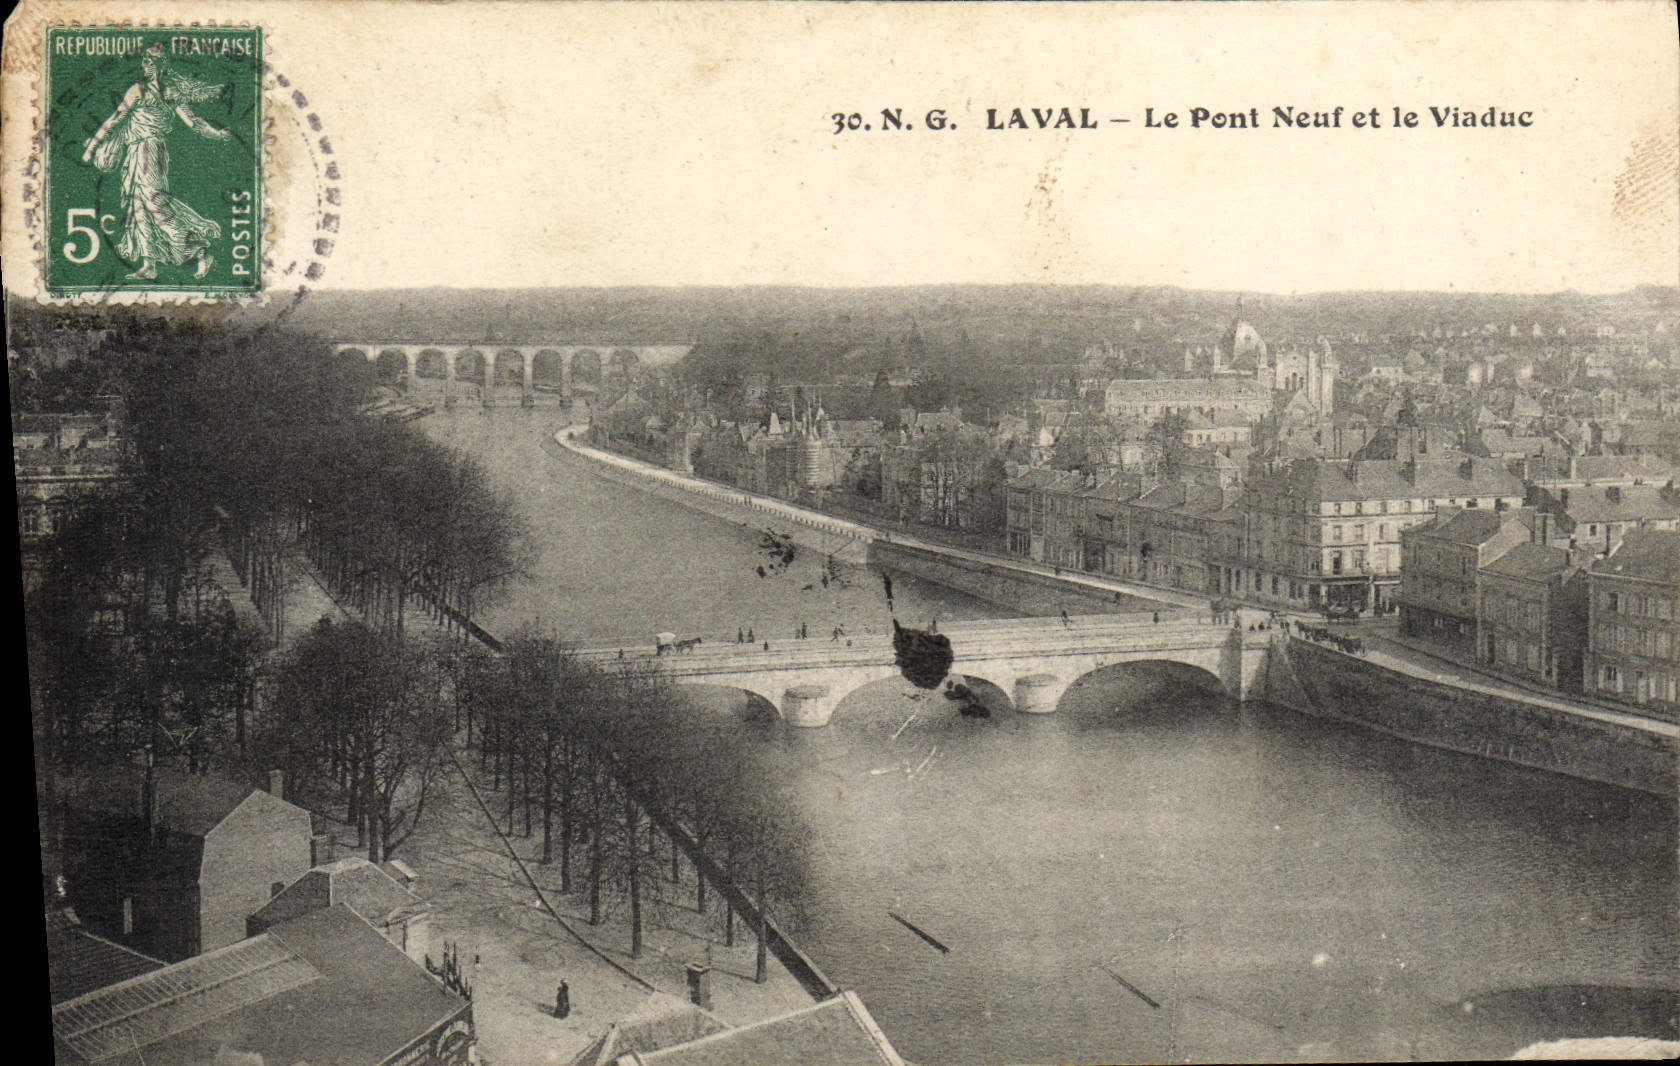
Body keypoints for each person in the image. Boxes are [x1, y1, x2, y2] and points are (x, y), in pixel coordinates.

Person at [80, 43, 232, 280]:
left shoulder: (166, 93)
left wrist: (218, 135)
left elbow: (193, 122)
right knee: (136, 205)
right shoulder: (140, 90)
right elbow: (115, 120)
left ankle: (199, 251)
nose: (145, 66)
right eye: (145, 61)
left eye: (150, 62)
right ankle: (149, 264)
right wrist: (93, 146)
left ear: (161, 65)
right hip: (135, 151)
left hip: (150, 152)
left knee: (155, 205)